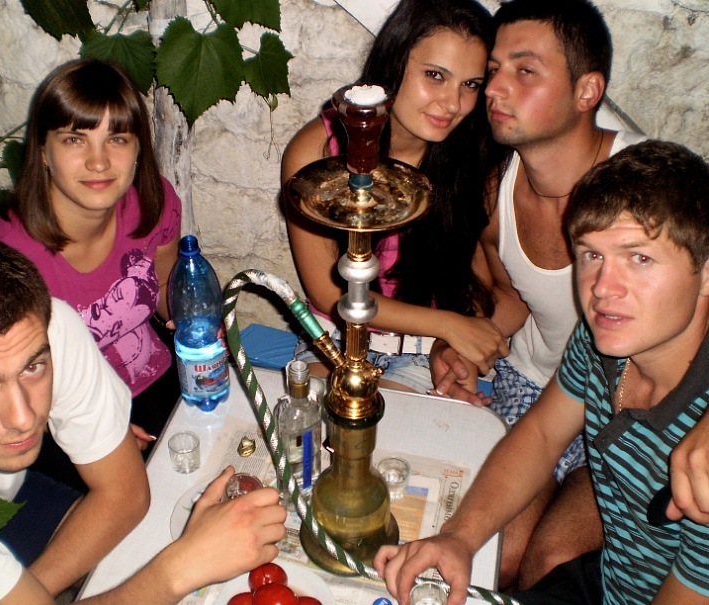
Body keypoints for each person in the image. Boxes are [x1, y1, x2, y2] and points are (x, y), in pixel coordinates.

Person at [375, 139, 709, 605]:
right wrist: (459, 537)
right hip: (607, 581)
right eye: (591, 255)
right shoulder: (603, 341)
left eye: (639, 258)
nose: (603, 289)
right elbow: (542, 436)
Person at [0, 232, 287, 605]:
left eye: (33, 367)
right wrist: (180, 568)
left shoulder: (42, 329)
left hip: (1, 492)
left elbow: (125, 494)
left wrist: (27, 593)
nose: (23, 417)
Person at [429, 0, 647, 589]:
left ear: (587, 91)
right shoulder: (495, 189)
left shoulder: (648, 188)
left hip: (626, 415)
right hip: (532, 388)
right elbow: (511, 296)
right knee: (496, 558)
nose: (495, 88)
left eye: (525, 70)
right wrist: (463, 345)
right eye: (493, 70)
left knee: (552, 564)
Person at [281, 0, 510, 394]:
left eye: (470, 84)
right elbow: (328, 292)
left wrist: (455, 349)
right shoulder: (318, 151)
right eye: (435, 75)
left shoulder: (474, 155)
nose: (453, 103)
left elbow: (483, 282)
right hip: (336, 339)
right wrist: (450, 326)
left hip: (427, 352)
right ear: (394, 63)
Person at [0, 58, 182, 479]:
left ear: (138, 148)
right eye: (75, 139)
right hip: (57, 423)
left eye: (117, 139)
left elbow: (165, 283)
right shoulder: (0, 260)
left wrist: (192, 317)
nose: (99, 162)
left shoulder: (152, 201)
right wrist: (94, 432)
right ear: (42, 151)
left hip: (158, 382)